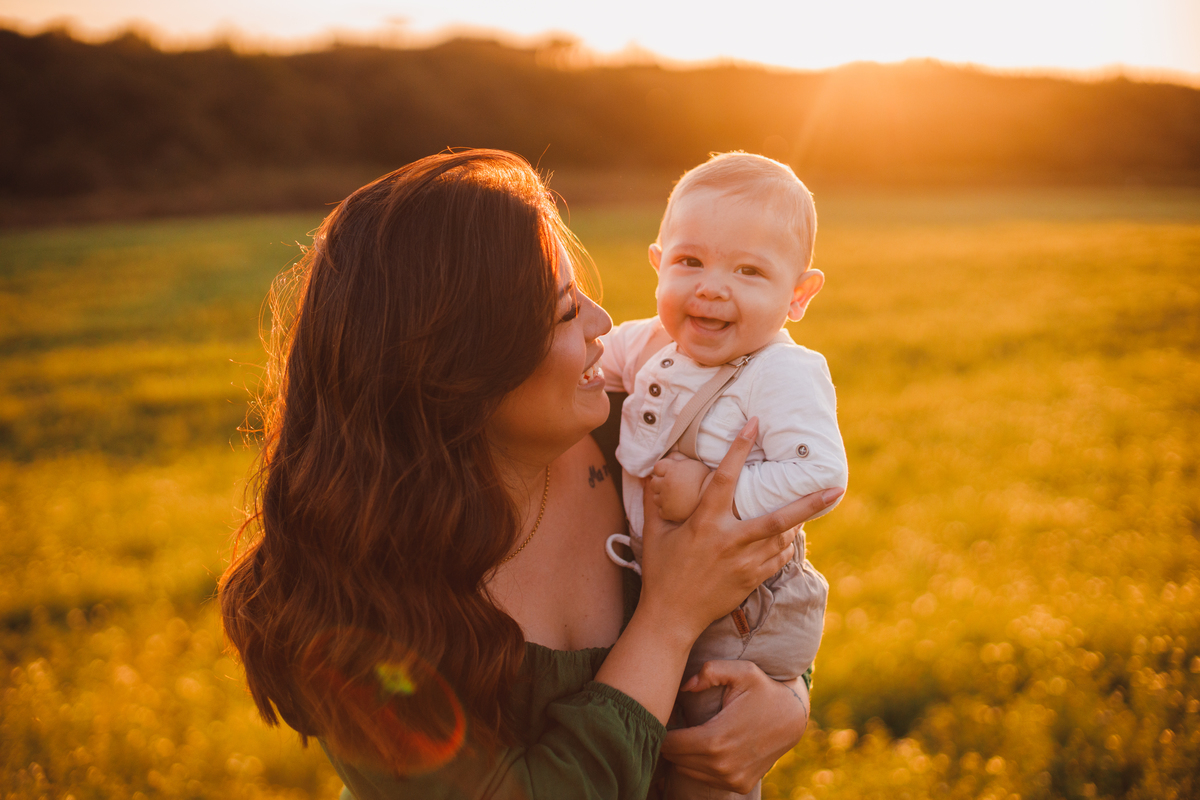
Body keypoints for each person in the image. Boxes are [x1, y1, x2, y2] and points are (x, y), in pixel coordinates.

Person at [219, 150, 843, 799]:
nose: (604, 324)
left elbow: (766, 585)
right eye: (566, 312)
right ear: (462, 365)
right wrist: (667, 619)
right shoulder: (340, 603)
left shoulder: (628, 433)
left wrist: (785, 701)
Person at [600, 152, 848, 800]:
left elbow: (820, 475)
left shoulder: (783, 371)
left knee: (709, 759)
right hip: (668, 592)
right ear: (658, 264)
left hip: (744, 615)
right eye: (691, 262)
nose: (712, 287)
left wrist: (714, 492)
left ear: (798, 295)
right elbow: (590, 369)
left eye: (749, 271)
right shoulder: (646, 342)